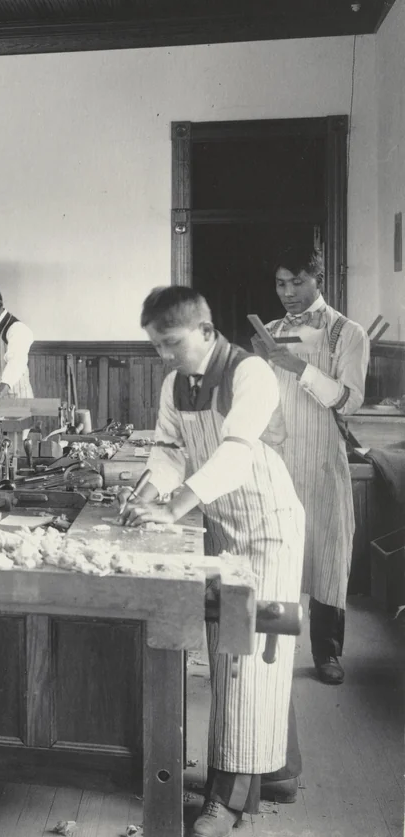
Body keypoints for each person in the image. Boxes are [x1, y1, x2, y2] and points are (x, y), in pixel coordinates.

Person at [122, 286, 303, 836]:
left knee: (255, 661)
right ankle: (277, 770)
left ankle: (227, 804)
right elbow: (170, 449)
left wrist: (176, 504)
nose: (164, 356)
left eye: (171, 343)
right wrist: (151, 489)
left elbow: (236, 451)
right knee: (237, 660)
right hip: (221, 525)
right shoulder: (175, 382)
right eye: (155, 346)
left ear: (205, 330)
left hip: (269, 530)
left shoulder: (251, 373)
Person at [256, 245, 368, 685]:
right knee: (279, 555)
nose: (287, 293)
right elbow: (266, 400)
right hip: (279, 462)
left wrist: (298, 368)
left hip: (322, 462)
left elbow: (349, 400)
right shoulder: (270, 331)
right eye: (281, 284)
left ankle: (327, 653)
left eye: (297, 282)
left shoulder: (346, 332)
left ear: (318, 278)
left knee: (327, 556)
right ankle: (275, 652)